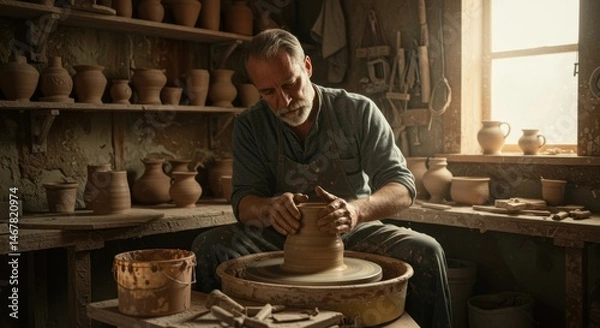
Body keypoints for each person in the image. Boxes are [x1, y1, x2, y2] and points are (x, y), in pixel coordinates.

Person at [192, 28, 452, 328]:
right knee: (209, 247)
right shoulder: (250, 125)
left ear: (308, 66)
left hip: (354, 230)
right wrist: (269, 208)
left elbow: (402, 186)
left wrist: (356, 210)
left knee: (427, 252)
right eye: (268, 92)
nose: (284, 100)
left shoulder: (357, 111)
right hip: (278, 235)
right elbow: (243, 201)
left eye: (291, 84)